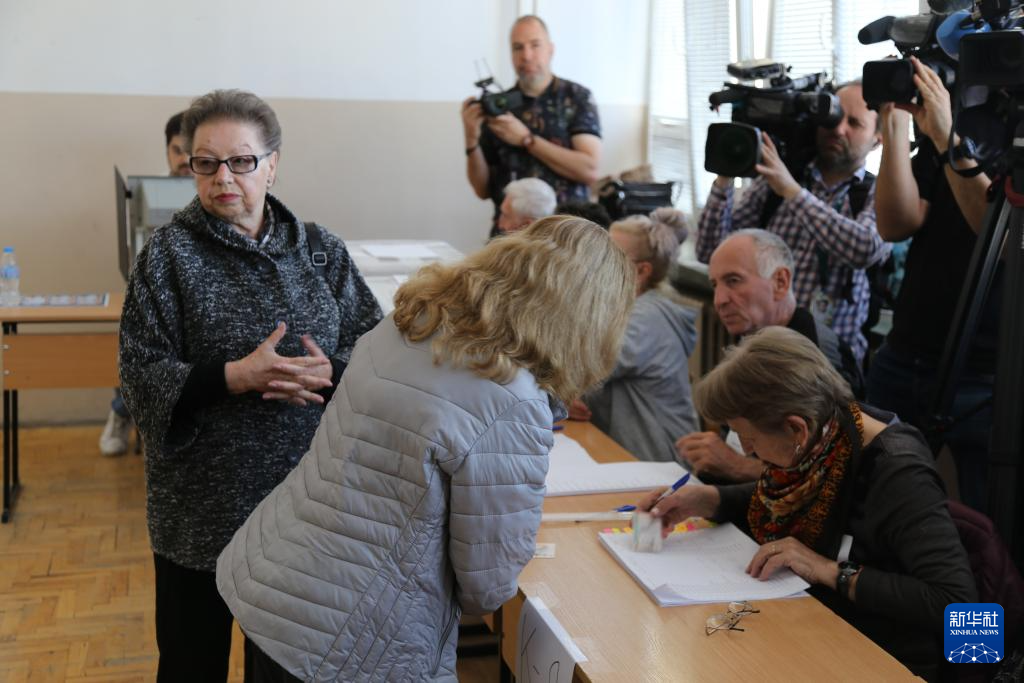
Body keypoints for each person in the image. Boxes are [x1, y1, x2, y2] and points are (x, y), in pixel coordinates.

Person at [216, 217, 635, 682]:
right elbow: (487, 586)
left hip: (276, 579)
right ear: (586, 319)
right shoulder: (512, 399)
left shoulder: (410, 324)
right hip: (348, 636)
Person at [118, 89, 383, 682]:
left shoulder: (321, 252)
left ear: (272, 165)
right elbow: (139, 376)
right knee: (192, 667)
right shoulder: (166, 257)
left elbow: (375, 354)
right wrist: (234, 377)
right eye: (206, 162)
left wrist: (331, 374)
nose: (223, 178)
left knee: (288, 669)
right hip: (199, 512)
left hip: (304, 510)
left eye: (241, 161)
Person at [639, 327, 976, 680]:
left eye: (748, 437)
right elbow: (795, 494)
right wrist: (710, 499)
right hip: (819, 627)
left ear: (796, 429)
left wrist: (826, 569)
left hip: (882, 658)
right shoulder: (830, 430)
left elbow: (959, 604)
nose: (746, 449)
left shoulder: (899, 474)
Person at [870, 56, 999, 514]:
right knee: (872, 501)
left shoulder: (996, 134)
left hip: (985, 370)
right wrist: (895, 126)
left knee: (985, 520)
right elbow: (896, 223)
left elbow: (999, 238)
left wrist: (947, 139)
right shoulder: (958, 121)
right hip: (906, 352)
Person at [696, 82, 890, 362]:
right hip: (763, 351)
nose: (838, 129)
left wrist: (792, 192)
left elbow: (864, 249)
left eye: (854, 123)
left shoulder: (878, 191)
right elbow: (710, 250)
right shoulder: (778, 180)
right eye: (833, 119)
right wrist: (726, 172)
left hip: (827, 359)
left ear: (877, 139)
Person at [677, 229, 864, 483]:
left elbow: (835, 474)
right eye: (715, 285)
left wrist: (738, 466)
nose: (719, 300)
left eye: (733, 281)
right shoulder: (753, 340)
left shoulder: (817, 355)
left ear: (780, 282)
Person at [569, 207, 699, 461]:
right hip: (628, 450)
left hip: (654, 460)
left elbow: (584, 367)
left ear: (641, 271)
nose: (595, 263)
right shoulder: (624, 307)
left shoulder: (646, 317)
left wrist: (562, 393)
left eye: (609, 257)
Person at [100, 111, 193, 457]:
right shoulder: (147, 194)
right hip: (157, 294)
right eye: (176, 150)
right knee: (138, 342)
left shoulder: (217, 189)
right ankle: (121, 411)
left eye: (191, 151)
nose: (184, 159)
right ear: (167, 151)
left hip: (200, 301)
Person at [462, 15, 601, 236]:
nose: (526, 56)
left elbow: (589, 170)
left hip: (564, 238)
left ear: (551, 49)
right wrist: (471, 139)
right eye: (518, 48)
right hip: (509, 236)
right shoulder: (499, 106)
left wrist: (526, 140)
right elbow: (482, 190)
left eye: (535, 45)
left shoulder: (576, 98)